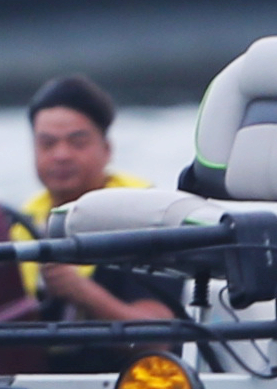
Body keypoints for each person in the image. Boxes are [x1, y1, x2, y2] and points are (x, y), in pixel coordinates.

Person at [13, 74, 170, 322]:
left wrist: (82, 292)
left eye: (77, 143)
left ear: (107, 149)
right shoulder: (19, 222)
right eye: (47, 144)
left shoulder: (145, 216)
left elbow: (160, 330)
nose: (61, 155)